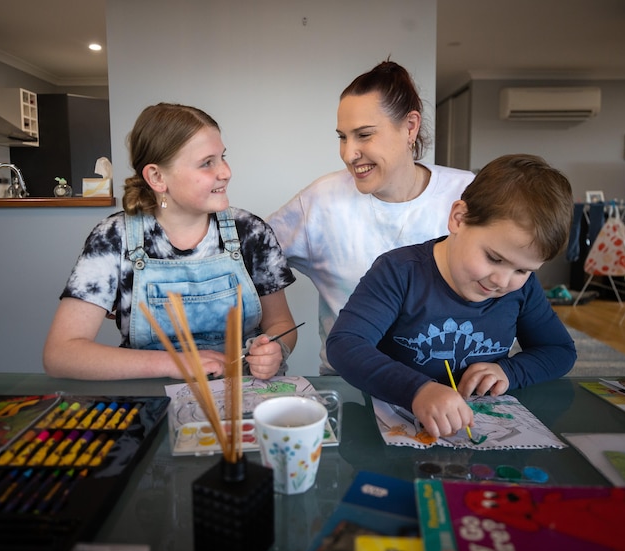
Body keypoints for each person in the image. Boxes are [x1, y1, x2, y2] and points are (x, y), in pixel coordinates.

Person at [326, 154, 577, 438]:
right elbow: (344, 344)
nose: (501, 281)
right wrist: (418, 390)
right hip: (391, 430)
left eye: (522, 269)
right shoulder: (398, 272)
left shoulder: (522, 288)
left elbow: (560, 351)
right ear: (458, 218)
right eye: (493, 258)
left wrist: (510, 372)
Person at [43, 103, 297, 381]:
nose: (226, 172)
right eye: (207, 162)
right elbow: (61, 354)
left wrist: (275, 349)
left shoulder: (250, 231)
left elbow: (281, 323)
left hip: (244, 393)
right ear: (157, 177)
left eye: (222, 157)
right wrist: (176, 364)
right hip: (153, 398)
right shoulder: (115, 237)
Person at [268, 60, 475, 374]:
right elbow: (248, 255)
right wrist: (275, 329)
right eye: (342, 137)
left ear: (410, 127)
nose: (349, 154)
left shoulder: (465, 193)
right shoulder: (322, 201)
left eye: (364, 135)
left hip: (452, 391)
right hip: (353, 390)